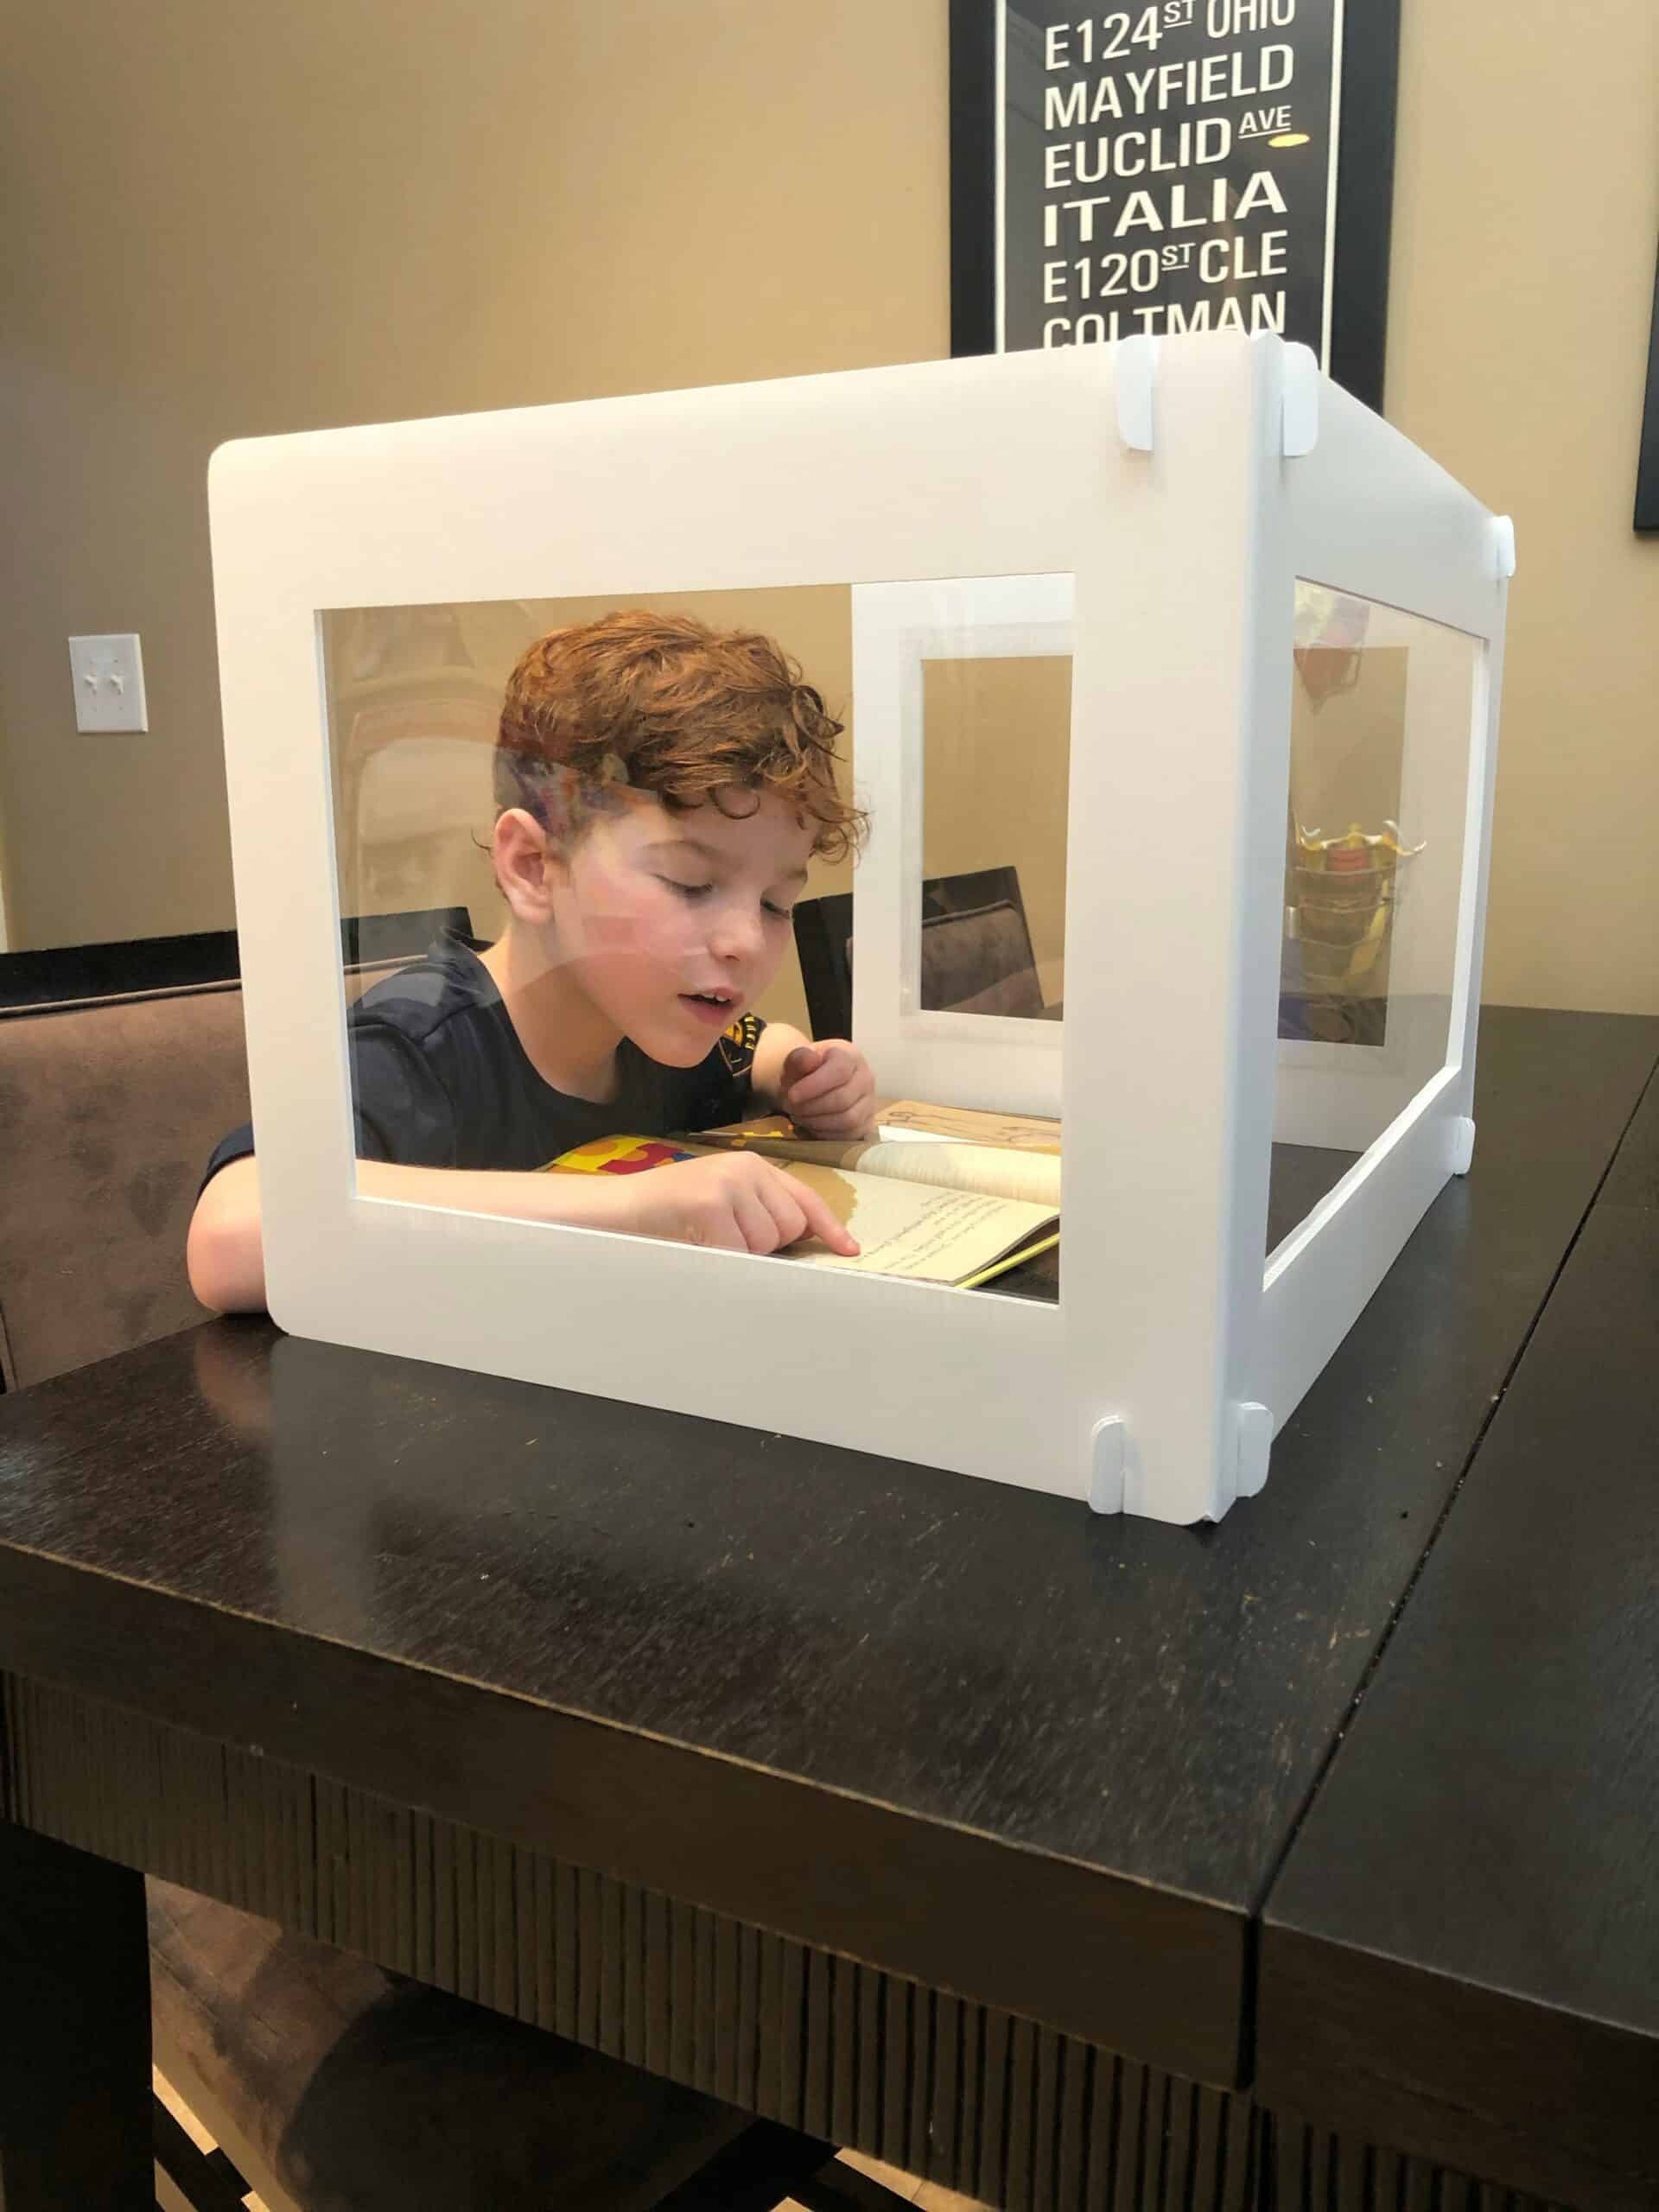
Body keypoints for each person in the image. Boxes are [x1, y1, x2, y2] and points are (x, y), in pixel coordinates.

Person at [188, 610, 878, 1313]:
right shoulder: (421, 1042)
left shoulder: (658, 1020)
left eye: (774, 903)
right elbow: (231, 1234)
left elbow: (759, 1048)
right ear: (534, 866)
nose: (745, 941)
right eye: (690, 884)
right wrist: (627, 1206)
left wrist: (803, 1074)